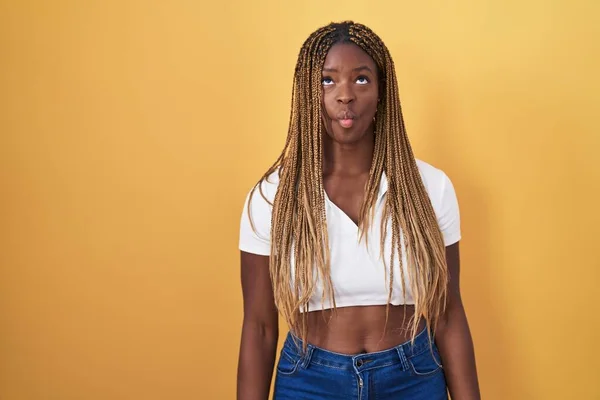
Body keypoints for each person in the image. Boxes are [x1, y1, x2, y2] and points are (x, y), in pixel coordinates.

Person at [236, 21, 480, 400]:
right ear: (307, 93)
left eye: (361, 80)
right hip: (310, 382)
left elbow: (448, 315)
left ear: (382, 91)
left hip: (412, 378)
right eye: (327, 81)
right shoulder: (272, 197)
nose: (345, 95)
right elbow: (259, 327)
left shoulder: (429, 188)